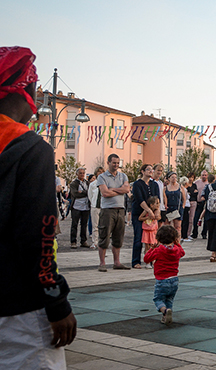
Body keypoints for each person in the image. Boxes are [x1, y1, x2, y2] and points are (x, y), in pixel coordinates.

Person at [0, 46, 76, 367]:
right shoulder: (30, 148)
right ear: (26, 90)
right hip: (19, 308)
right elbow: (39, 236)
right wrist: (56, 303)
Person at [143, 225, 185, 325]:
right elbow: (182, 253)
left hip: (162, 280)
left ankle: (165, 311)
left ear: (158, 239)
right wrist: (178, 244)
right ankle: (167, 315)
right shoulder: (177, 250)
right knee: (169, 299)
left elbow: (146, 259)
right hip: (174, 279)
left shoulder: (159, 250)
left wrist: (151, 249)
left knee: (158, 299)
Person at [96, 154, 131, 270]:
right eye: (114, 163)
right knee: (104, 235)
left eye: (117, 163)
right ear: (108, 163)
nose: (116, 165)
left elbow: (127, 189)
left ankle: (117, 262)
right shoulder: (102, 177)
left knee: (118, 237)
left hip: (120, 210)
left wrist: (112, 189)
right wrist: (120, 190)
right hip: (107, 210)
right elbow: (104, 193)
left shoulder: (123, 176)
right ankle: (102, 263)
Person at [131, 164, 160, 269]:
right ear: (142, 171)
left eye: (151, 169)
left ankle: (150, 260)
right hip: (139, 213)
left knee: (152, 240)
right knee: (138, 238)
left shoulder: (154, 184)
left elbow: (157, 198)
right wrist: (148, 210)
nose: (150, 171)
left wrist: (157, 211)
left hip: (151, 216)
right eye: (148, 169)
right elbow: (139, 199)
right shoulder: (137, 184)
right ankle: (136, 261)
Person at [69, 167, 91, 249]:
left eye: (83, 173)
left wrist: (83, 192)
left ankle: (83, 240)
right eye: (80, 173)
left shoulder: (87, 183)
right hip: (76, 206)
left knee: (84, 224)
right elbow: (75, 194)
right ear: (77, 174)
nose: (82, 174)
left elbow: (90, 192)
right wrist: (85, 193)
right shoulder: (73, 184)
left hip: (85, 206)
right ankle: (73, 241)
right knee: (74, 224)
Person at [139, 196, 161, 269]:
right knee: (147, 247)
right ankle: (147, 261)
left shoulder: (157, 211)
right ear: (151, 205)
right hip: (147, 230)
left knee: (154, 246)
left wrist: (157, 215)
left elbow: (159, 217)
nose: (158, 205)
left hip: (154, 230)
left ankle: (154, 261)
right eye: (156, 203)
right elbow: (140, 218)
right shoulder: (147, 211)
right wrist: (147, 217)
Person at [88, 167, 104, 248]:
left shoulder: (106, 183)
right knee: (95, 226)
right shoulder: (93, 184)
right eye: (98, 172)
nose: (100, 173)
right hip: (95, 206)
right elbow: (90, 195)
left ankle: (102, 241)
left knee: (103, 225)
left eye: (102, 172)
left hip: (104, 206)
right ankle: (95, 242)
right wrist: (93, 203)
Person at [192, 170, 210, 239]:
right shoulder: (196, 183)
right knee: (196, 218)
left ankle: (204, 233)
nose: (204, 176)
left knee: (206, 219)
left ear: (207, 176)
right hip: (198, 203)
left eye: (205, 175)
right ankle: (195, 233)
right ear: (200, 175)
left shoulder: (209, 183)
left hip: (206, 203)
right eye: (203, 175)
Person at [180, 176, 192, 241]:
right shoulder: (184, 189)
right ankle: (184, 236)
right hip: (185, 206)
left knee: (183, 221)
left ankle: (183, 235)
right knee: (185, 221)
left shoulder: (182, 189)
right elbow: (185, 197)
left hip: (185, 205)